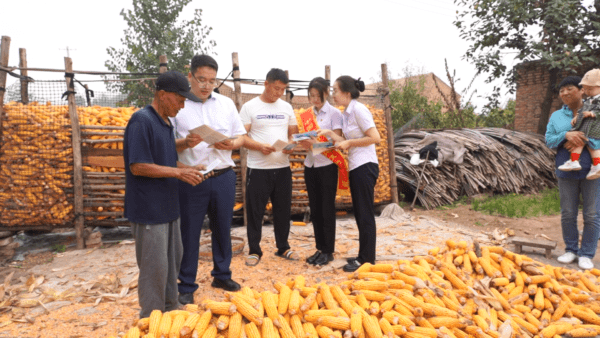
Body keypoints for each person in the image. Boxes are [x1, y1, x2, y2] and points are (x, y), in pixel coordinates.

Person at [124, 70, 204, 318]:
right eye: (179, 99)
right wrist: (179, 174)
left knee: (172, 263)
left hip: (169, 207)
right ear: (162, 95)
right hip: (149, 210)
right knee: (154, 268)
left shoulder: (167, 123)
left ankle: (170, 309)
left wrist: (188, 169)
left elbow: (167, 159)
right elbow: (138, 165)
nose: (182, 105)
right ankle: (150, 317)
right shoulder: (142, 121)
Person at [172, 55, 247, 303]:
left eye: (212, 81)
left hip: (224, 175)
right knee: (190, 232)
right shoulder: (178, 106)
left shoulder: (225, 104)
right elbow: (165, 146)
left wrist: (231, 143)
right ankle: (186, 286)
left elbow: (241, 137)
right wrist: (185, 142)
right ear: (190, 77)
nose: (206, 85)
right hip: (192, 177)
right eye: (201, 79)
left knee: (223, 228)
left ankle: (222, 274)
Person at [317, 76, 381, 272]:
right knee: (360, 212)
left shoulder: (359, 109)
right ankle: (364, 255)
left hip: (365, 165)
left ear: (346, 92)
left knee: (365, 213)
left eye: (335, 90)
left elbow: (375, 138)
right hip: (356, 166)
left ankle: (367, 260)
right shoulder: (347, 113)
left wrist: (350, 143)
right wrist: (329, 133)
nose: (333, 94)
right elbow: (343, 140)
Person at [239, 68, 299, 267]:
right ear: (266, 84)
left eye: (282, 90)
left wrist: (291, 145)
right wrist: (258, 146)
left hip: (282, 168)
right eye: (276, 88)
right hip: (257, 168)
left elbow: (293, 134)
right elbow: (241, 137)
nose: (279, 93)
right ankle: (254, 250)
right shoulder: (249, 107)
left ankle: (283, 247)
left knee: (283, 210)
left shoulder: (286, 108)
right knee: (255, 211)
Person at [546, 75, 600, 270]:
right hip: (566, 169)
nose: (564, 93)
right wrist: (566, 135)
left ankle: (586, 253)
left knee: (592, 214)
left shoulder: (596, 109)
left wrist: (582, 139)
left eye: (569, 88)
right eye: (561, 90)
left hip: (593, 171)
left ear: (581, 90)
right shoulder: (556, 117)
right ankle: (571, 249)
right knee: (568, 213)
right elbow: (549, 140)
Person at [298, 77, 344, 266]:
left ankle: (328, 251)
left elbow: (338, 141)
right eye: (311, 96)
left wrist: (317, 143)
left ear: (325, 94)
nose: (314, 99)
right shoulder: (307, 115)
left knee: (326, 209)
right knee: (315, 210)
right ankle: (319, 248)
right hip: (310, 165)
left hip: (327, 166)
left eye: (318, 95)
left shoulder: (334, 114)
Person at [558, 69, 600, 180]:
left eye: (590, 89)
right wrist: (577, 116)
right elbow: (583, 110)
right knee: (579, 143)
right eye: (585, 89)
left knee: (594, 147)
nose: (587, 91)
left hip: (595, 129)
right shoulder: (588, 100)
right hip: (586, 128)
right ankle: (574, 161)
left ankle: (597, 165)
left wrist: (592, 113)